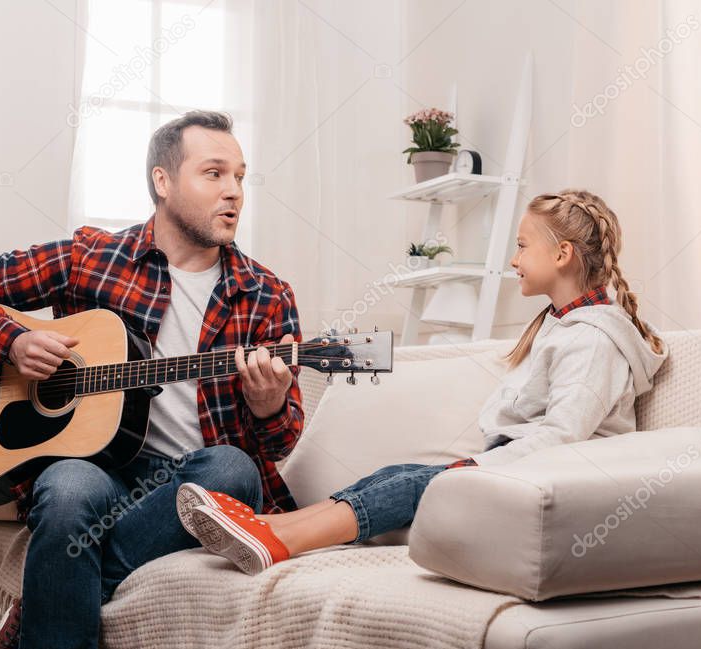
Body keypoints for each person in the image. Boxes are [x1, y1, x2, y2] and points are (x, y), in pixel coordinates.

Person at [0, 110, 304, 649]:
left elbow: (279, 443)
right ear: (163, 181)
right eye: (214, 173)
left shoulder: (266, 294)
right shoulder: (93, 256)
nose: (234, 192)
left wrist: (268, 404)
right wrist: (14, 340)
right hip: (96, 465)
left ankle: (32, 616)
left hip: (190, 479)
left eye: (241, 177)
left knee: (233, 470)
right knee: (68, 488)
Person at [178, 189, 668, 575]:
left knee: (412, 485)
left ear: (561, 254)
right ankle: (268, 526)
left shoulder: (593, 340)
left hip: (547, 482)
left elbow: (565, 435)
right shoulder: (563, 327)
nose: (513, 259)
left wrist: (477, 465)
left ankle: (281, 540)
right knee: (397, 476)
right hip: (519, 470)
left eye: (521, 246)